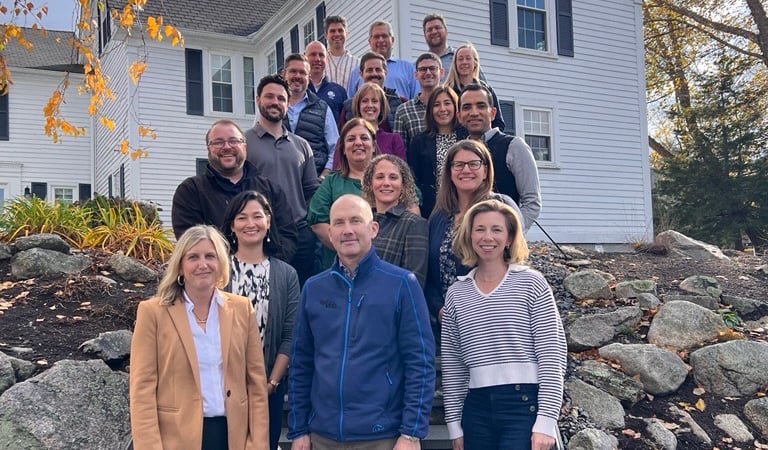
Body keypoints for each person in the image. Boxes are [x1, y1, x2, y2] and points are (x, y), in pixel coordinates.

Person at [288, 194, 435, 450]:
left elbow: (419, 362)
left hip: (382, 436)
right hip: (322, 436)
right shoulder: (314, 288)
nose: (348, 230)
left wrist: (411, 433)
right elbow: (301, 361)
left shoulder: (402, 284)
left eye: (356, 221)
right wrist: (299, 428)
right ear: (330, 234)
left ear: (373, 228)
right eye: (339, 223)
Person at [130, 225, 268, 450]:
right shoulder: (152, 312)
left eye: (210, 256)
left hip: (233, 437)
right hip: (176, 440)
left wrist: (257, 444)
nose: (203, 264)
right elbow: (142, 391)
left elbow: (256, 385)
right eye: (193, 257)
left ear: (221, 262)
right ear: (181, 266)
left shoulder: (243, 309)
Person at [442, 199, 566, 450]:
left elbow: (552, 355)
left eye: (497, 229)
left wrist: (545, 421)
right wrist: (454, 424)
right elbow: (453, 364)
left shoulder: (533, 284)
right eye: (480, 229)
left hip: (524, 406)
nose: (487, 237)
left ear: (509, 238)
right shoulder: (456, 294)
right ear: (469, 235)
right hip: (476, 409)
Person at [221, 191, 299, 450]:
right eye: (242, 217)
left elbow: (290, 335)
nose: (250, 223)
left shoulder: (286, 274)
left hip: (267, 388)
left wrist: (271, 384)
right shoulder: (218, 272)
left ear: (268, 222)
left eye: (257, 216)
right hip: (221, 389)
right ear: (232, 225)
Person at [425, 140, 522, 338]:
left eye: (473, 164)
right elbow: (430, 272)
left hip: (492, 320)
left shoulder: (502, 206)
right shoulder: (439, 217)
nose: (465, 170)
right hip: (447, 323)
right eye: (458, 165)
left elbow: (515, 262)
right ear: (450, 172)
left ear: (485, 170)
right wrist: (438, 309)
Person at [172, 119, 298, 263]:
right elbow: (189, 241)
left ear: (244, 147)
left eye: (233, 141)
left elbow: (288, 236)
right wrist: (230, 271)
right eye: (218, 142)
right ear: (209, 149)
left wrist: (264, 267)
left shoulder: (271, 189)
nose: (226, 147)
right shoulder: (191, 191)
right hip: (216, 278)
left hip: (268, 275)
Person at [245, 74, 320, 286]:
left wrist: (309, 226)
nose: (275, 102)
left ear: (287, 104)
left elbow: (312, 189)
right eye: (269, 96)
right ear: (258, 99)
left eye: (281, 98)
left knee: (300, 295)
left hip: (300, 234)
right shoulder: (243, 143)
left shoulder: (301, 145)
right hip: (261, 233)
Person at [458, 83, 541, 231]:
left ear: (493, 112)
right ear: (459, 116)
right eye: (467, 107)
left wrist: (511, 234)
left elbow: (532, 202)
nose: (474, 112)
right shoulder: (459, 152)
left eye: (481, 106)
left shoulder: (514, 146)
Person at [308, 118, 378, 268]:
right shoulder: (332, 182)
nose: (358, 143)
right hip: (340, 264)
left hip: (385, 260)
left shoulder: (390, 178)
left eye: (364, 138)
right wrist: (350, 250)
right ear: (344, 149)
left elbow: (412, 207)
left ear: (373, 146)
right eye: (351, 139)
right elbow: (317, 223)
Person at [362, 154, 428, 287]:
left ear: (403, 185)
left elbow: (414, 282)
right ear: (370, 184)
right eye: (380, 177)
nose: (386, 183)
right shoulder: (362, 223)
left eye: (393, 177)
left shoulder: (414, 224)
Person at [326, 82, 406, 173]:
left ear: (381, 106)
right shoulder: (344, 140)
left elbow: (402, 175)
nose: (370, 105)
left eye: (375, 101)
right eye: (365, 101)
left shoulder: (394, 139)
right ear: (358, 106)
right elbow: (337, 174)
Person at [408, 86, 462, 218]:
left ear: (456, 107)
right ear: (430, 110)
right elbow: (412, 180)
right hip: (431, 212)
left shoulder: (467, 138)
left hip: (464, 208)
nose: (442, 109)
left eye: (447, 103)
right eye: (436, 105)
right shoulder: (419, 142)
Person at [280, 54, 339, 174]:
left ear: (309, 77)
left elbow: (335, 148)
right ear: (284, 74)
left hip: (313, 182)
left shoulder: (323, 108)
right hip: (278, 180)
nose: (297, 76)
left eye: (302, 73)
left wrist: (323, 177)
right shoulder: (272, 106)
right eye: (293, 71)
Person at [347, 21, 419, 99]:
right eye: (376, 37)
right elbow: (351, 104)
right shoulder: (356, 73)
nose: (381, 40)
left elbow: (417, 100)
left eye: (384, 36)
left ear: (392, 40)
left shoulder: (408, 68)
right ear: (370, 41)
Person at [338, 52, 405, 133]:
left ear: (385, 73)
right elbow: (342, 139)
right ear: (361, 74)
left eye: (378, 70)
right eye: (369, 70)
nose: (374, 73)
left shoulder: (400, 103)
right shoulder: (349, 107)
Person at [445, 43, 504, 131]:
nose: (464, 62)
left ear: (475, 63)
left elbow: (498, 123)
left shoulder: (487, 90)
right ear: (455, 64)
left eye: (468, 58)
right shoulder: (447, 91)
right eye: (460, 59)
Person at [393, 52, 444, 149]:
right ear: (416, 75)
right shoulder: (404, 111)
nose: (428, 73)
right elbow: (400, 152)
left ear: (441, 72)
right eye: (423, 69)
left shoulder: (451, 106)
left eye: (433, 68)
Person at [421, 13, 486, 83]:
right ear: (424, 35)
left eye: (437, 27)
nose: (434, 32)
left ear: (446, 31)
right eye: (429, 30)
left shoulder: (462, 60)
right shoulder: (418, 67)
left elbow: (486, 91)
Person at [305, 40, 347, 123]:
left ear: (326, 59)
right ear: (305, 58)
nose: (317, 59)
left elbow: (344, 124)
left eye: (321, 55)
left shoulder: (339, 91)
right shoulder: (298, 90)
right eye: (313, 55)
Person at [323, 15, 359, 91]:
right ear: (326, 35)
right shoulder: (321, 64)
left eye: (340, 30)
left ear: (346, 33)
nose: (336, 34)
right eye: (332, 31)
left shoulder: (357, 64)